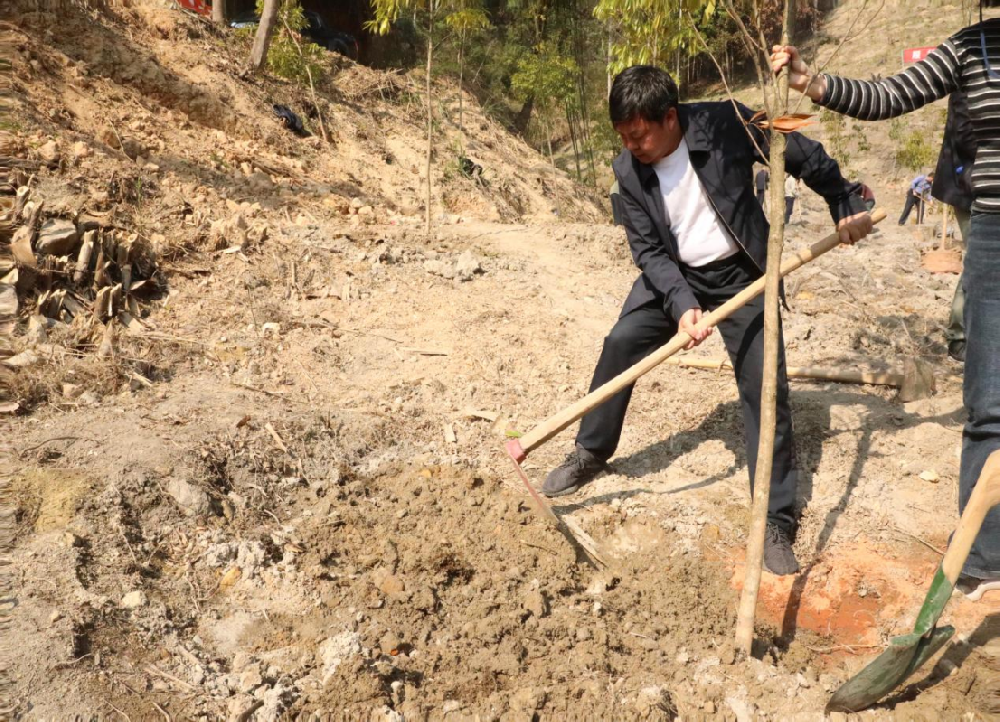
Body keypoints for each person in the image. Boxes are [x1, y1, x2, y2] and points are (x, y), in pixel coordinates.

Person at [541, 65, 872, 576]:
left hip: (742, 273)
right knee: (621, 342)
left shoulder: (726, 123)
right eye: (623, 136)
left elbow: (798, 150)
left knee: (765, 387)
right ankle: (591, 451)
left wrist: (843, 200)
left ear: (670, 118)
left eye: (639, 135)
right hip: (675, 276)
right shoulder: (628, 170)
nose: (631, 146)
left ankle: (774, 519)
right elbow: (648, 251)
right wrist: (681, 303)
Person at [772, 1, 1000, 595]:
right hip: (994, 235)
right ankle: (984, 555)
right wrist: (813, 83)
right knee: (989, 401)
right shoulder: (972, 47)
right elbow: (891, 94)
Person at [932, 91, 976, 362]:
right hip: (970, 190)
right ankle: (958, 336)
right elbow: (965, 134)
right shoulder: (969, 80)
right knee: (978, 261)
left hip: (983, 188)